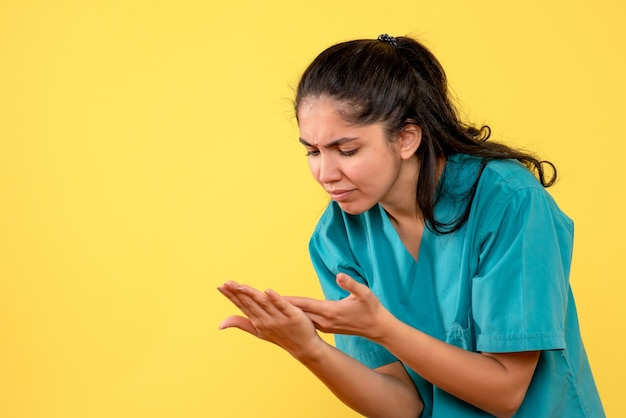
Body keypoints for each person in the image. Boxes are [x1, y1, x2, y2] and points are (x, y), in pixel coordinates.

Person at [217, 34, 604, 417]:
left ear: (406, 138)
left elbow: (505, 392)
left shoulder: (508, 200)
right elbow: (404, 405)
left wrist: (381, 328)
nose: (325, 173)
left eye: (346, 150)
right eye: (312, 151)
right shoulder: (338, 236)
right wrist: (309, 348)